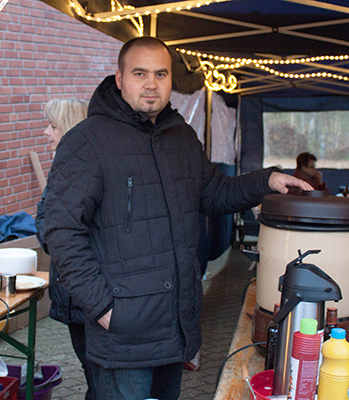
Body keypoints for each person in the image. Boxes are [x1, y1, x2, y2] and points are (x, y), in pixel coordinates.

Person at [40, 36, 312, 400]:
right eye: (140, 73)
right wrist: (102, 306)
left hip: (174, 322)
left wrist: (266, 181)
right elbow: (60, 230)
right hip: (123, 332)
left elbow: (214, 193)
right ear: (119, 78)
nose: (151, 84)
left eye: (161, 74)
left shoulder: (181, 137)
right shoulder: (87, 141)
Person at [35, 98, 95, 400]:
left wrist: (54, 241)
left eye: (53, 126)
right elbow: (44, 218)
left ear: (69, 129)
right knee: (92, 369)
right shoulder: (65, 168)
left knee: (96, 371)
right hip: (77, 295)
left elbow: (60, 227)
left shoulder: (81, 172)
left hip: (86, 295)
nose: (46, 132)